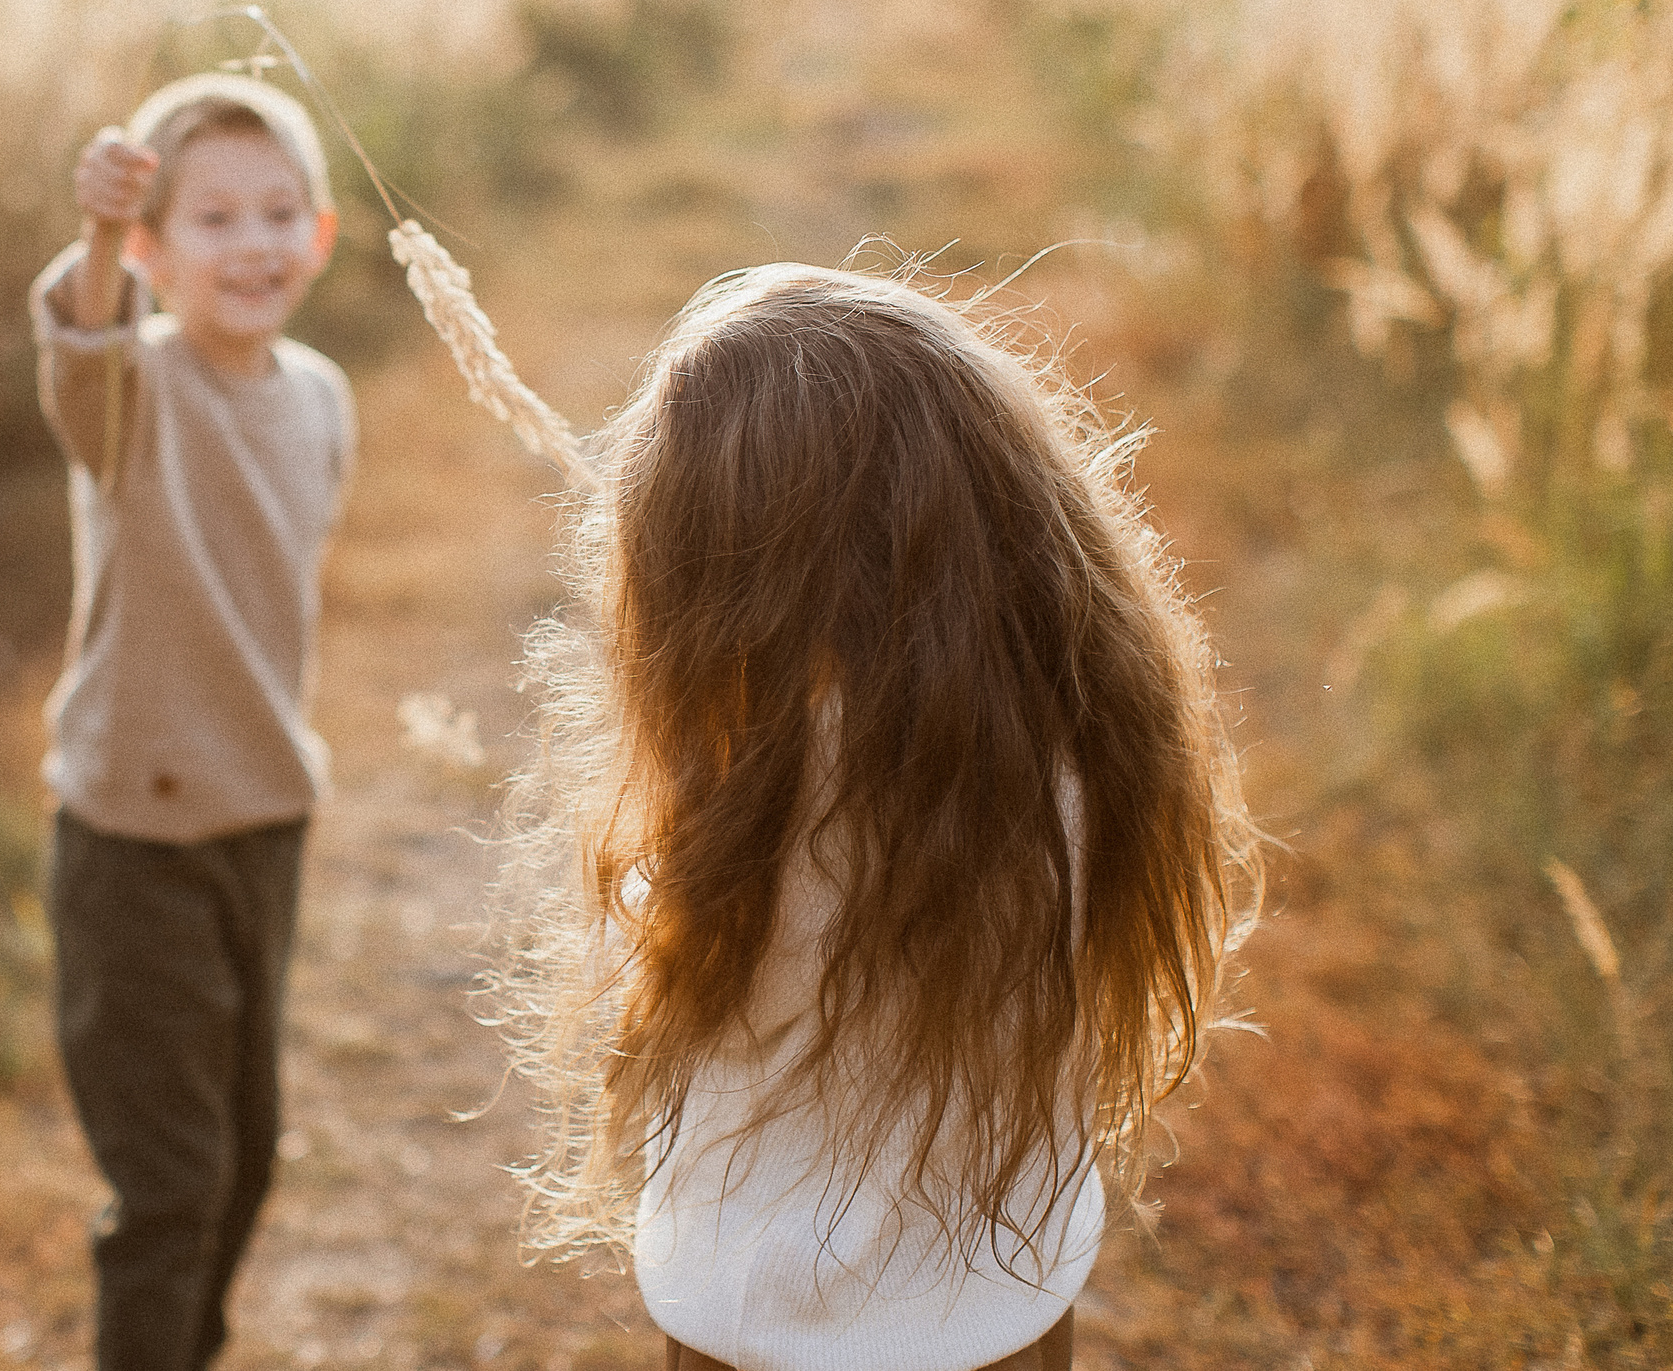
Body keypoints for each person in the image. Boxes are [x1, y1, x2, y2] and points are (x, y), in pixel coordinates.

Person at [492, 264, 1260, 1371]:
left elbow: (664, 974)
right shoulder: (1080, 741)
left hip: (756, 1323)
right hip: (997, 1311)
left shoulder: (751, 795)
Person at [29, 72, 354, 1371]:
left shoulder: (323, 395)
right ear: (157, 251)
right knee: (172, 1182)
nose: (255, 242)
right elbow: (83, 349)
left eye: (280, 210)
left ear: (321, 236)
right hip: (134, 843)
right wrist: (99, 235)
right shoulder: (133, 395)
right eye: (212, 217)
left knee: (249, 1153)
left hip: (264, 815)